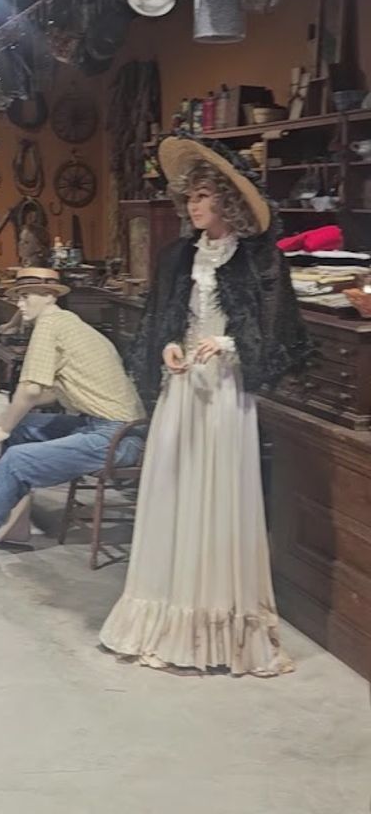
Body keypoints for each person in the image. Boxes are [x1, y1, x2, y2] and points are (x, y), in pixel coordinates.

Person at [100, 136, 310, 676]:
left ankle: (216, 621)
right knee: (172, 484)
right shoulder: (177, 256)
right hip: (183, 390)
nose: (192, 207)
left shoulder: (259, 262)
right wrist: (168, 346)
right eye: (188, 198)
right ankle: (165, 611)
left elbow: (280, 332)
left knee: (218, 493)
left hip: (224, 392)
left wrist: (232, 344)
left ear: (227, 203)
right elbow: (161, 320)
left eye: (202, 198)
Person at [0, 267, 145, 561]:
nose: (19, 303)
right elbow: (54, 392)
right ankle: (17, 524)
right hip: (105, 426)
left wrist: (2, 427)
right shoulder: (67, 323)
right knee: (25, 427)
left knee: (17, 460)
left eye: (25, 296)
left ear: (48, 296)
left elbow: (30, 391)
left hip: (117, 438)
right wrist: (12, 422)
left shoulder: (50, 326)